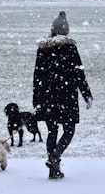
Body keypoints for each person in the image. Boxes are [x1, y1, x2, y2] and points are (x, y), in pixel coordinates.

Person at [32, 11, 92, 180]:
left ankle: (53, 166)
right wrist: (87, 95)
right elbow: (79, 74)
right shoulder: (70, 48)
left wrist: (37, 100)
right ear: (66, 31)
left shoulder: (43, 49)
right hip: (67, 95)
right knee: (69, 129)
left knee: (52, 130)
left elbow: (37, 77)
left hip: (48, 96)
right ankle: (56, 156)